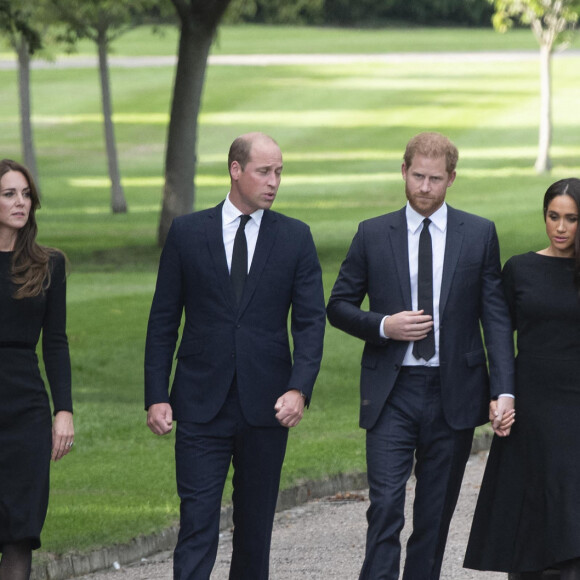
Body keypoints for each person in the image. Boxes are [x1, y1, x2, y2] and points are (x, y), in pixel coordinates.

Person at [326, 132, 516, 580]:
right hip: (392, 390)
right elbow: (337, 305)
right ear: (403, 171)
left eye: (435, 179)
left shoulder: (479, 234)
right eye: (417, 176)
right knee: (386, 504)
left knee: (434, 514)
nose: (425, 188)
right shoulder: (373, 233)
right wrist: (383, 325)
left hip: (454, 392)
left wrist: (503, 389)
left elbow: (496, 319)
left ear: (451, 178)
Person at [144, 132, 326, 580]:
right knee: (197, 523)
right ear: (235, 170)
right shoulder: (187, 233)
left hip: (267, 406)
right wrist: (156, 394)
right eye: (264, 171)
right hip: (200, 403)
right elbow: (163, 320)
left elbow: (310, 324)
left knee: (254, 530)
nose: (274, 182)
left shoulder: (295, 237)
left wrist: (299, 388)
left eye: (279, 172)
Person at [464, 178, 580, 579]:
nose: (561, 227)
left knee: (570, 493)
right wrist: (500, 394)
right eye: (553, 216)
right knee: (533, 498)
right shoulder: (520, 268)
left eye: (571, 219)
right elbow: (499, 337)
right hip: (532, 398)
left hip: (576, 401)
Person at [0, 159, 74, 580]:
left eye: (26, 194)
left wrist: (63, 410)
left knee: (19, 533)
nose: (20, 202)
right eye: (9, 193)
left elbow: (57, 343)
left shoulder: (48, 265)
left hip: (26, 409)